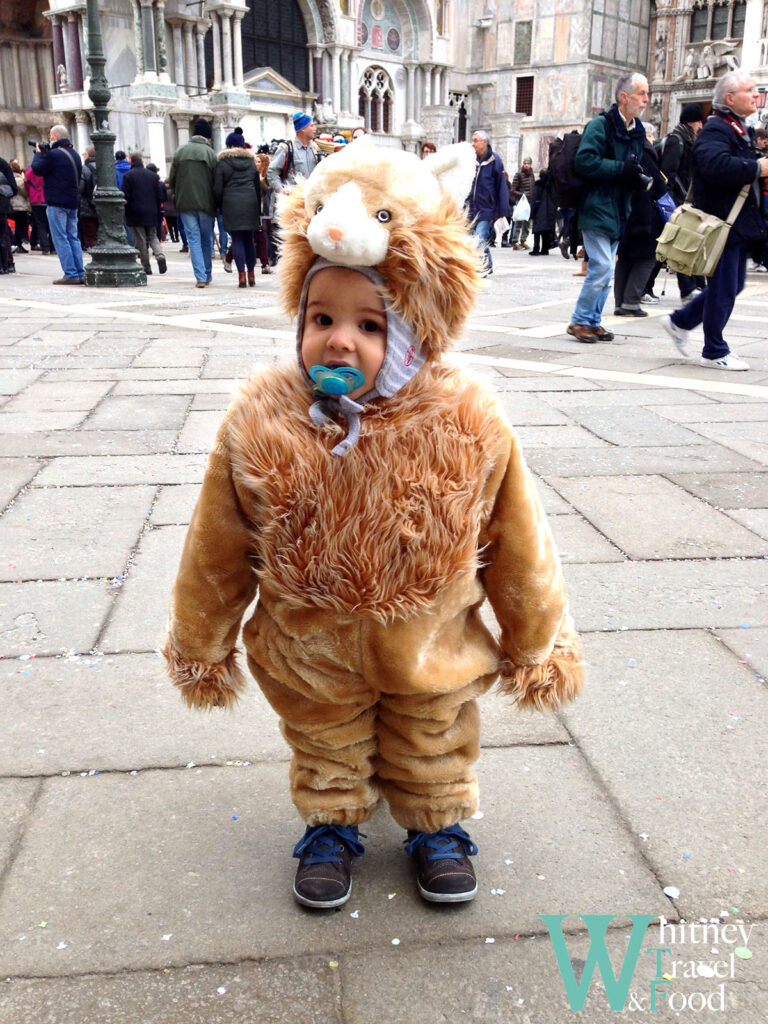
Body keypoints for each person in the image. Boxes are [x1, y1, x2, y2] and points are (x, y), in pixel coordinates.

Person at [162, 140, 584, 912]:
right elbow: (215, 546)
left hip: (431, 640)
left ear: (415, 333)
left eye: (370, 324)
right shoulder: (262, 421)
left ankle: (437, 820)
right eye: (321, 317)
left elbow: (522, 545)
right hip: (308, 645)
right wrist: (202, 639)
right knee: (323, 735)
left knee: (435, 730)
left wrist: (535, 641)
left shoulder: (468, 421)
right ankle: (330, 818)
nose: (339, 340)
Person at [662, 72, 768, 371]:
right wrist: (755, 167)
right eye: (749, 90)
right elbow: (713, 165)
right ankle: (714, 350)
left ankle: (680, 322)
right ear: (730, 98)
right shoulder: (717, 129)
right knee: (723, 286)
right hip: (719, 222)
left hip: (735, 223)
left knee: (732, 284)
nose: (756, 94)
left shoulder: (737, 128)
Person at [565, 72, 650, 343]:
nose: (646, 99)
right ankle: (580, 320)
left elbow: (632, 165)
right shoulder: (600, 125)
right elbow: (585, 161)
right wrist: (620, 169)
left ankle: (593, 321)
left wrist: (635, 176)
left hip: (619, 208)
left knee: (606, 269)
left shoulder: (635, 130)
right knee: (600, 267)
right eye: (641, 94)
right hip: (596, 204)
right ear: (624, 97)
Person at [613, 122, 667, 316]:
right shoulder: (645, 150)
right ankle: (631, 302)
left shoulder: (625, 148)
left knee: (625, 256)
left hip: (625, 210)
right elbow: (658, 184)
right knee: (647, 256)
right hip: (645, 212)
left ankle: (620, 302)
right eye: (651, 135)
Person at [660, 103, 706, 301]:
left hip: (689, 199)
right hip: (679, 199)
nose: (701, 126)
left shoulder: (689, 139)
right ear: (692, 121)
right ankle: (687, 289)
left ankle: (696, 285)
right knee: (681, 244)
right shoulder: (677, 140)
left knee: (690, 243)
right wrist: (675, 199)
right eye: (699, 121)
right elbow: (669, 172)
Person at [31, 124, 85, 285]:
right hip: (72, 202)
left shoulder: (54, 155)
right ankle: (79, 272)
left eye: (50, 136)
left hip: (57, 202)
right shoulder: (75, 154)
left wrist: (38, 154)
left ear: (55, 136)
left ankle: (70, 273)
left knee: (60, 238)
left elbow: (37, 169)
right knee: (72, 237)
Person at [168, 117, 217, 288]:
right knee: (206, 238)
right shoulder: (210, 153)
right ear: (207, 137)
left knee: (193, 239)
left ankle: (200, 277)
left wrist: (177, 193)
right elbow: (216, 181)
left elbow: (171, 179)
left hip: (185, 204)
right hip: (206, 204)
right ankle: (207, 273)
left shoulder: (180, 151)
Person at [214, 129, 261, 288]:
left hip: (231, 204)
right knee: (249, 239)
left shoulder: (222, 163)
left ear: (228, 146)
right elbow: (257, 187)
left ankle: (241, 277)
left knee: (237, 240)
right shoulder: (251, 163)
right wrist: (257, 207)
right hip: (250, 203)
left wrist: (220, 205)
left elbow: (218, 189)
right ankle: (252, 275)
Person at [465, 129, 509, 276]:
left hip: (486, 208)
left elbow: (501, 187)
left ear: (485, 142)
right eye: (472, 140)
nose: (473, 144)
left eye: (476, 140)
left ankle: (481, 268)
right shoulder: (469, 160)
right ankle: (488, 264)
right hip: (470, 208)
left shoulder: (495, 161)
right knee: (474, 239)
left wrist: (502, 212)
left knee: (479, 239)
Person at [121, 152, 167, 275]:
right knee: (153, 235)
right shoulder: (152, 176)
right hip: (151, 210)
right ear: (141, 160)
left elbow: (125, 196)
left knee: (140, 239)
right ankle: (160, 255)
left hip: (135, 212)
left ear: (130, 161)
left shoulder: (128, 176)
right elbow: (160, 196)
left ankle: (146, 266)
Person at [267, 112, 322, 194]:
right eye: (311, 126)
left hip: (311, 198)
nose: (315, 129)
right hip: (293, 201)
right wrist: (280, 190)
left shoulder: (315, 149)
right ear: (303, 128)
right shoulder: (286, 148)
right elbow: (272, 173)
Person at [24, 160, 53, 254]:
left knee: (40, 224)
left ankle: (46, 247)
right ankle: (52, 246)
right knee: (50, 223)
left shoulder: (31, 168)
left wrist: (32, 190)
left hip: (35, 199)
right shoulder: (49, 166)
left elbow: (26, 182)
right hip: (48, 198)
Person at [528, 169, 556, 255]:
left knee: (537, 231)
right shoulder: (552, 186)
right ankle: (545, 249)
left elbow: (534, 200)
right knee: (546, 231)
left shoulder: (537, 185)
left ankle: (536, 249)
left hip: (539, 211)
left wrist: (531, 213)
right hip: (549, 212)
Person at [509, 157, 534, 248]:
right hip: (521, 201)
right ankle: (515, 241)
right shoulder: (518, 175)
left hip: (529, 201)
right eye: (525, 163)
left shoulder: (531, 175)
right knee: (519, 221)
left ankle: (523, 240)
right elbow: (512, 190)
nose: (526, 165)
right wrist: (522, 194)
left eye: (528, 163)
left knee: (527, 221)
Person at [78, 144, 98, 251]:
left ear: (87, 155)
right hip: (102, 206)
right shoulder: (105, 167)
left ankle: (95, 254)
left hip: (87, 206)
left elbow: (81, 188)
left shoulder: (84, 169)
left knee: (90, 233)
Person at [9, 159, 31, 253]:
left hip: (11, 206)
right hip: (20, 207)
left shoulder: (8, 179)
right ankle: (17, 243)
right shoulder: (19, 180)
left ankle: (14, 243)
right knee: (20, 227)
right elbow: (25, 193)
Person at [0, 154, 17, 275]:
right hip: (3, 205)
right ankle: (7, 264)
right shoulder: (3, 164)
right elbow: (14, 188)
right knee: (3, 234)